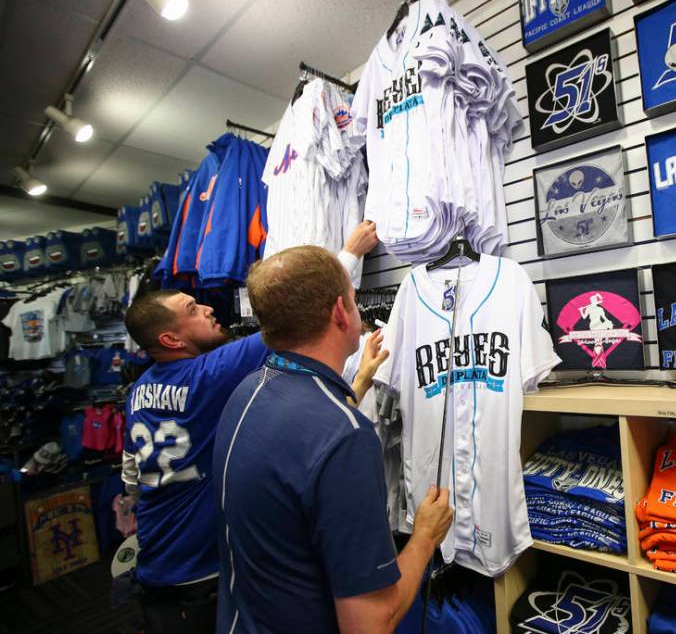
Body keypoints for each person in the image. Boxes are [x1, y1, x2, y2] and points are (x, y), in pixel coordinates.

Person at [121, 223, 378, 634]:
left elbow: (131, 477)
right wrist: (348, 254)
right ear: (170, 339)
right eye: (192, 311)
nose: (206, 309)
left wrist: (359, 381)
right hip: (198, 575)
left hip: (156, 559)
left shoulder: (138, 391)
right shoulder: (209, 375)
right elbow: (296, 321)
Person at [213, 245, 453, 634]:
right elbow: (372, 623)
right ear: (341, 312)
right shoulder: (346, 437)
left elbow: (303, 445)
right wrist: (426, 535)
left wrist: (358, 384)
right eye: (356, 301)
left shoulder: (247, 391)